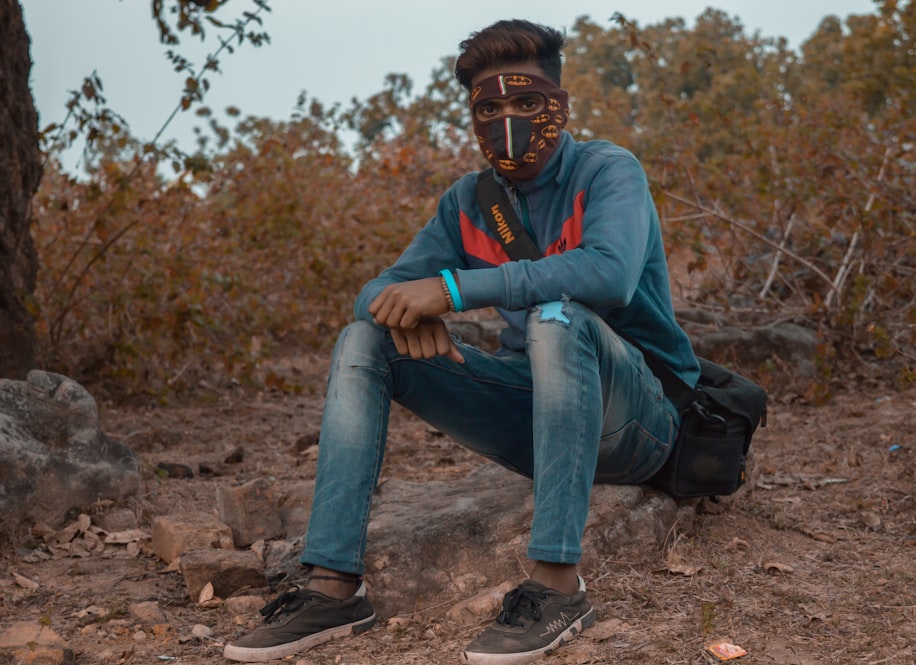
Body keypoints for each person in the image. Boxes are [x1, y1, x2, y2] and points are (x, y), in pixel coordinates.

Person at [223, 18, 699, 665]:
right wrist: (407, 311)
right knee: (365, 338)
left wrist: (450, 290)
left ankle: (558, 584)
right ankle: (333, 586)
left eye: (526, 101)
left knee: (555, 316)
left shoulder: (608, 171)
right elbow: (377, 292)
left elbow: (608, 274)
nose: (508, 118)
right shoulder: (470, 202)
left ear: (559, 103)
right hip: (534, 416)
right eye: (489, 106)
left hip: (639, 419)